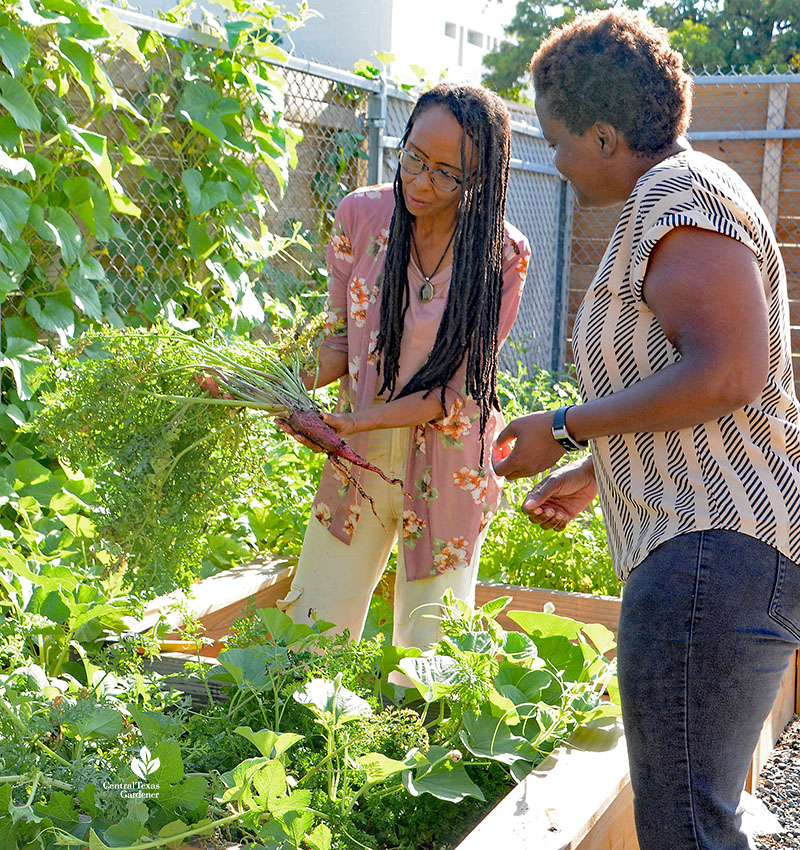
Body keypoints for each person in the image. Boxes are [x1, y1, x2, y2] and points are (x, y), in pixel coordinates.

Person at [492, 9, 800, 850]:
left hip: (711, 557)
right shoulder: (672, 196)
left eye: (555, 139)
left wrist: (563, 425)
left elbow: (730, 371)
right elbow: (692, 385)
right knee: (694, 823)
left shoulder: (679, 195)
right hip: (718, 553)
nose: (551, 160)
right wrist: (598, 468)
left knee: (686, 832)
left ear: (601, 136)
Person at [277, 83, 530, 651]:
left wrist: (357, 422)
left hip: (446, 467)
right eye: (413, 157)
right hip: (357, 461)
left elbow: (457, 393)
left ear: (480, 178)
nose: (420, 180)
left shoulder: (502, 256)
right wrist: (268, 380)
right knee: (306, 637)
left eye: (446, 172)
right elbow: (340, 344)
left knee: (428, 663)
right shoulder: (361, 217)